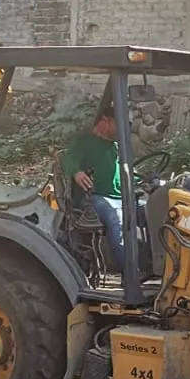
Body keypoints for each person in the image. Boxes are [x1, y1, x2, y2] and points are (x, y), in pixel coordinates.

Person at [62, 109, 127, 271]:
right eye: (120, 123)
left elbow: (124, 174)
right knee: (116, 216)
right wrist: (76, 171)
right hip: (94, 198)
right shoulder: (85, 142)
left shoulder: (115, 147)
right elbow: (68, 159)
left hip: (121, 197)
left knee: (154, 208)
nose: (124, 129)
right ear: (105, 120)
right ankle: (129, 274)